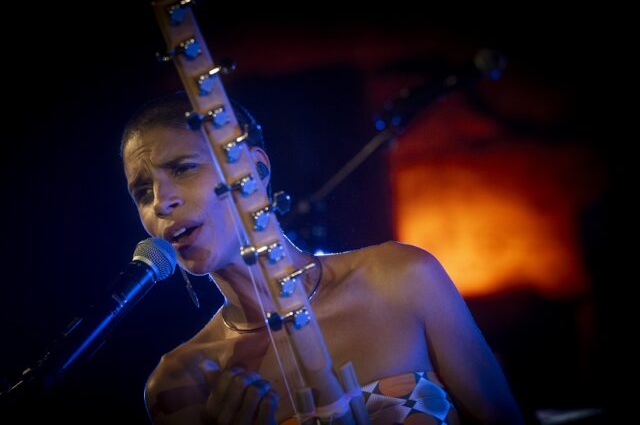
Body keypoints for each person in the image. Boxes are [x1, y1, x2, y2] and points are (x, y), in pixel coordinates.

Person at [120, 90, 524, 424]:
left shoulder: (399, 276)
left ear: (254, 171)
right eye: (142, 192)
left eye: (183, 168)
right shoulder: (181, 383)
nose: (161, 202)